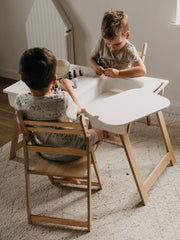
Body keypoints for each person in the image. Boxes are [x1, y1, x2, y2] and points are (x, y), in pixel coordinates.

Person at [15, 47, 103, 184]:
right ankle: (73, 169)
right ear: (54, 79)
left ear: (22, 78)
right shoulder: (61, 100)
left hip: (45, 152)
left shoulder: (20, 101)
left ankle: (66, 174)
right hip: (74, 151)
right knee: (99, 132)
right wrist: (68, 89)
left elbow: (22, 129)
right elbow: (78, 110)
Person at [89, 10, 146, 78]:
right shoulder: (102, 41)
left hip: (121, 82)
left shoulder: (128, 49)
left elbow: (142, 71)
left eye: (117, 44)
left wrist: (118, 73)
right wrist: (96, 67)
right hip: (102, 79)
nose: (112, 47)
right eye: (108, 43)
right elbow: (92, 59)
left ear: (127, 35)